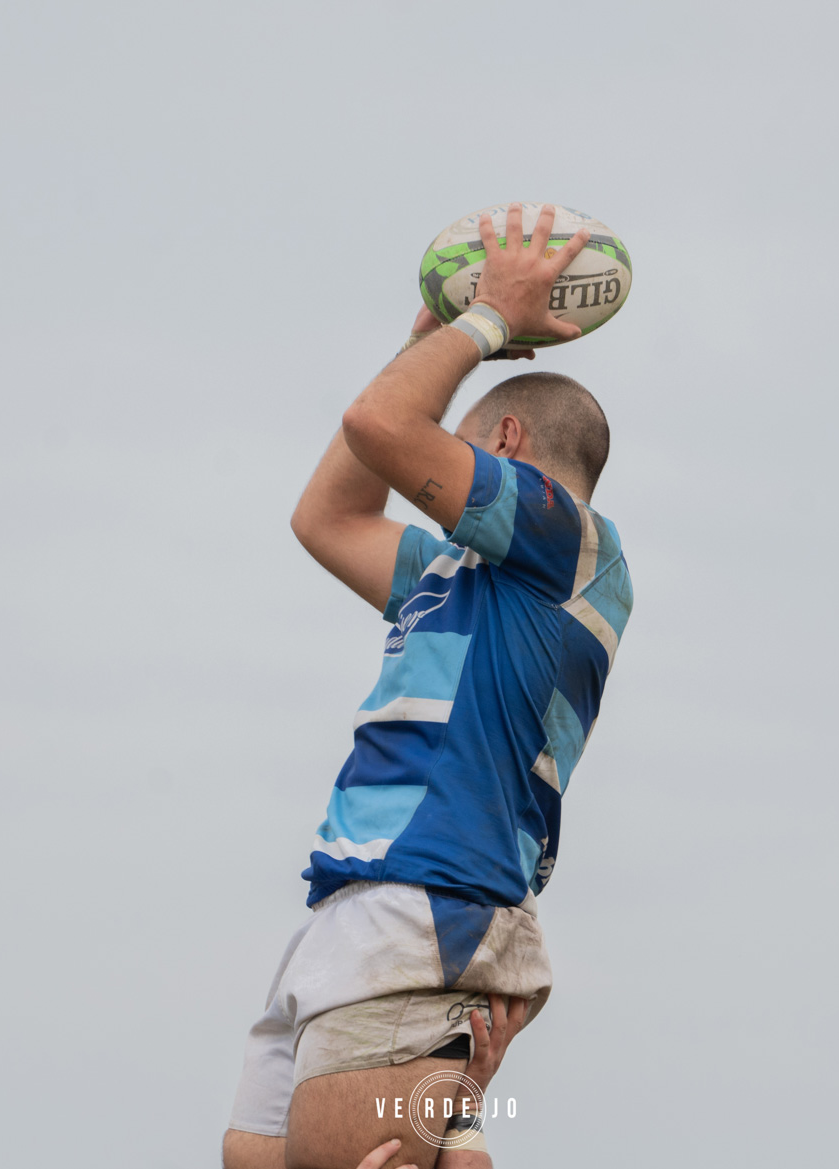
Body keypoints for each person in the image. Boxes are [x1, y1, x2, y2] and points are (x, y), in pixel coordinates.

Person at [221, 204, 635, 1169]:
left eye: (456, 445)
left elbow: (381, 426)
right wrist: (423, 340)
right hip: (365, 900)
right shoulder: (458, 574)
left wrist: (484, 321)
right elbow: (327, 514)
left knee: (350, 1156)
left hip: (432, 896)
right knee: (255, 1157)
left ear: (510, 442)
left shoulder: (569, 543)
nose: (432, 470)